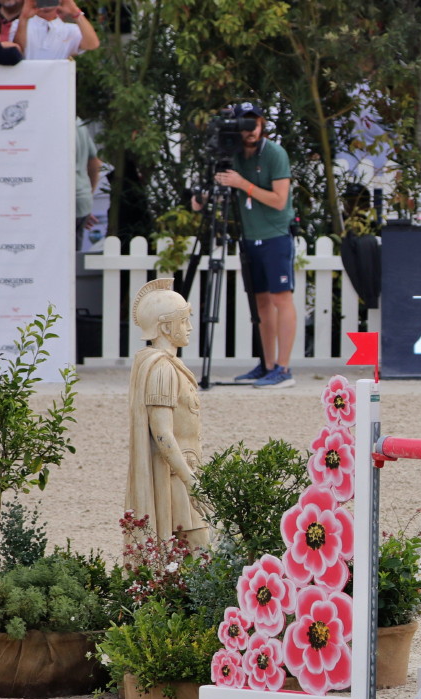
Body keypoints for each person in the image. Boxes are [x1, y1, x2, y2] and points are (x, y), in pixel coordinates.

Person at [215, 101, 297, 388]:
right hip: (249, 237)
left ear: (263, 124)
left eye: (255, 123)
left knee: (280, 299)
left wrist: (242, 183)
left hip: (275, 234)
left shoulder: (275, 153)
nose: (250, 130)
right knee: (260, 302)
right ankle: (267, 363)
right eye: (245, 124)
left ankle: (284, 369)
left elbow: (279, 200)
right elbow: (224, 191)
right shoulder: (233, 154)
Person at [127, 278, 209, 549]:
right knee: (198, 548)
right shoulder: (161, 370)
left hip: (186, 470)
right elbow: (162, 433)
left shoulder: (170, 365)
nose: (190, 327)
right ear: (164, 326)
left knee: (192, 551)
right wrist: (190, 481)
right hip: (177, 476)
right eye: (184, 320)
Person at [10, 0, 97, 60]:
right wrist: (24, 17)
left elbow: (92, 44)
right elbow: (16, 52)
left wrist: (75, 12)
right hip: (25, 83)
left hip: (56, 83)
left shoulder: (70, 30)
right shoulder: (18, 24)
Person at [74, 118, 99, 248]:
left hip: (61, 201)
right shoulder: (78, 122)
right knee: (73, 258)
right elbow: (95, 162)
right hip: (82, 198)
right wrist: (88, 195)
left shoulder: (53, 120)